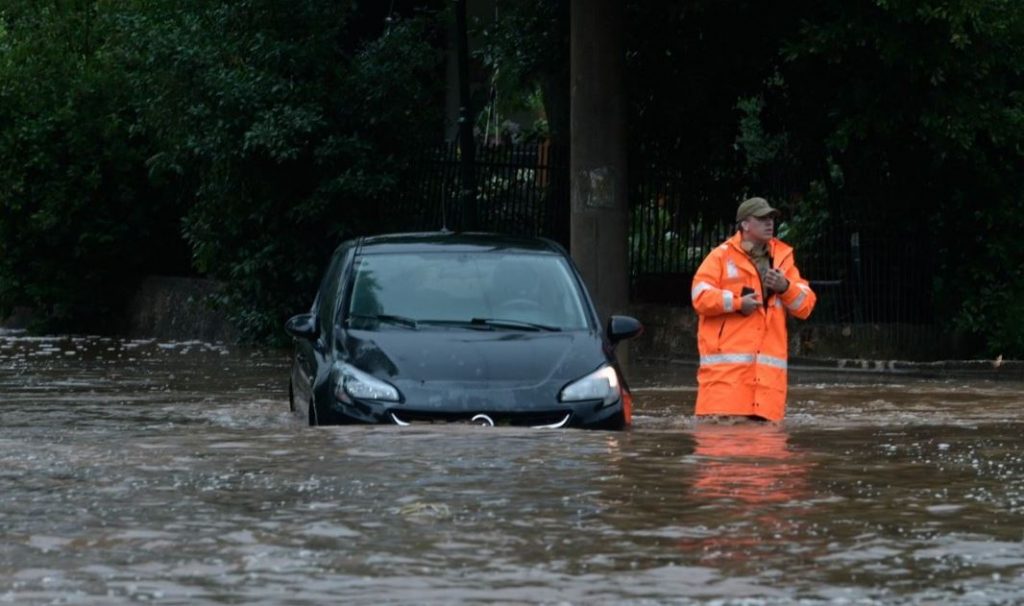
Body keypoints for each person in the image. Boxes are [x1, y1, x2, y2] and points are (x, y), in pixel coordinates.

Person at [690, 197, 816, 422]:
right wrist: (738, 303)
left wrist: (785, 287)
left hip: (767, 397)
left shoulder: (783, 259)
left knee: (767, 455)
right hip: (724, 394)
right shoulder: (720, 256)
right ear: (745, 225)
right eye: (762, 218)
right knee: (722, 454)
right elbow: (700, 297)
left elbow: (805, 306)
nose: (770, 223)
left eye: (771, 218)